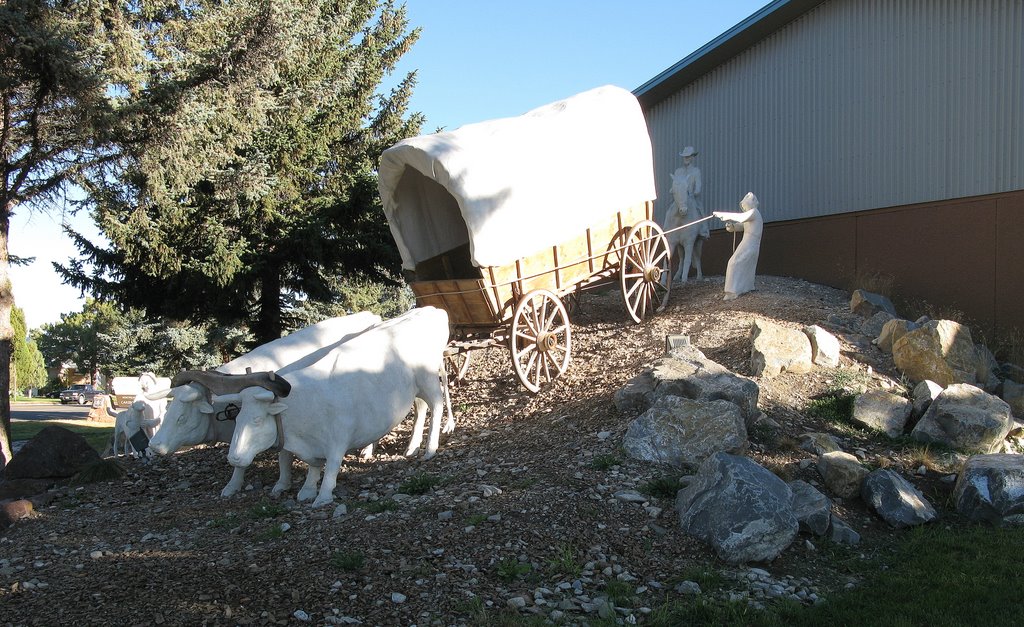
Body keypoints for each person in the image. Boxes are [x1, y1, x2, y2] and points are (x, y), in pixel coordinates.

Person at [713, 192, 764, 300]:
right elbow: (742, 225)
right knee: (741, 264)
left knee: (734, 263)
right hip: (747, 242)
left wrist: (724, 214)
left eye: (745, 205)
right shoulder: (750, 215)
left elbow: (741, 218)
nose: (744, 208)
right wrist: (732, 227)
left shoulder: (754, 212)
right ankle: (744, 287)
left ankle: (732, 291)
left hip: (750, 243)